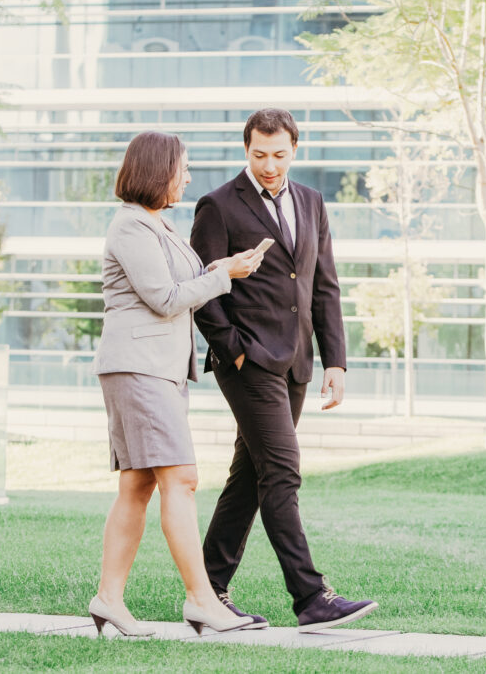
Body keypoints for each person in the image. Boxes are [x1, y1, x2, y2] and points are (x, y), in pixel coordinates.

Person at [191, 108, 377, 633]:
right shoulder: (219, 206)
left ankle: (206, 590)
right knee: (283, 471)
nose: (269, 165)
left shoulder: (312, 203)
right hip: (248, 362)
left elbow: (323, 286)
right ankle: (311, 597)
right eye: (258, 154)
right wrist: (234, 350)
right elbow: (202, 287)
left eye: (279, 154)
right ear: (245, 149)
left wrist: (335, 359)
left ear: (295, 148)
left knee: (249, 477)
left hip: (294, 362)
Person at [89, 131, 264, 637]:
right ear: (156, 170)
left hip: (155, 369)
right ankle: (201, 600)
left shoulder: (156, 225)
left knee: (138, 484)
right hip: (139, 368)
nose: (187, 177)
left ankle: (109, 600)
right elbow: (165, 298)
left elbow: (177, 284)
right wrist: (222, 275)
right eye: (181, 168)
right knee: (181, 478)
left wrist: (221, 269)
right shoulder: (130, 228)